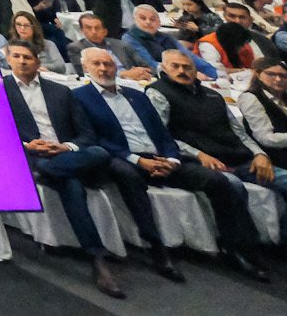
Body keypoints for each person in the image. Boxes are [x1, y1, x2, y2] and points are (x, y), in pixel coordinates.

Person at [73, 46, 264, 282]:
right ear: (85, 68)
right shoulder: (79, 97)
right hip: (124, 158)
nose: (103, 68)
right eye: (96, 64)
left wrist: (172, 158)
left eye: (108, 63)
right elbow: (93, 138)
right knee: (129, 176)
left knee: (218, 180)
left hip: (160, 157)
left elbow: (163, 133)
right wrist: (138, 160)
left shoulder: (136, 95)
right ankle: (157, 249)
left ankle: (235, 248)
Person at [1, 40, 124, 297]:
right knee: (73, 184)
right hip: (29, 155)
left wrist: (65, 147)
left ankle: (49, 171)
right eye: (17, 56)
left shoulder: (61, 91)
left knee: (99, 153)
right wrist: (27, 145)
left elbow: (86, 135)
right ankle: (97, 259)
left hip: (60, 156)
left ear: (37, 61)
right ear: (9, 59)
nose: (22, 61)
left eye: (28, 57)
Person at [148, 48, 287, 208]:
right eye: (175, 66)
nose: (182, 71)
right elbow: (161, 136)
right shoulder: (157, 93)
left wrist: (259, 154)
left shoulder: (213, 95)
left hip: (238, 157)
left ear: (195, 70)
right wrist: (199, 154)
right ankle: (238, 233)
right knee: (232, 185)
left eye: (187, 67)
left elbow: (239, 132)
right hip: (197, 161)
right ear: (164, 68)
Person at [69, 13, 154, 81]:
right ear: (82, 31)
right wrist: (123, 74)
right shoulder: (76, 48)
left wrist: (142, 72)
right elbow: (85, 74)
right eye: (88, 28)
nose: (94, 32)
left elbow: (146, 66)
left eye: (97, 28)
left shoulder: (120, 44)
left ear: (105, 31)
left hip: (136, 80)